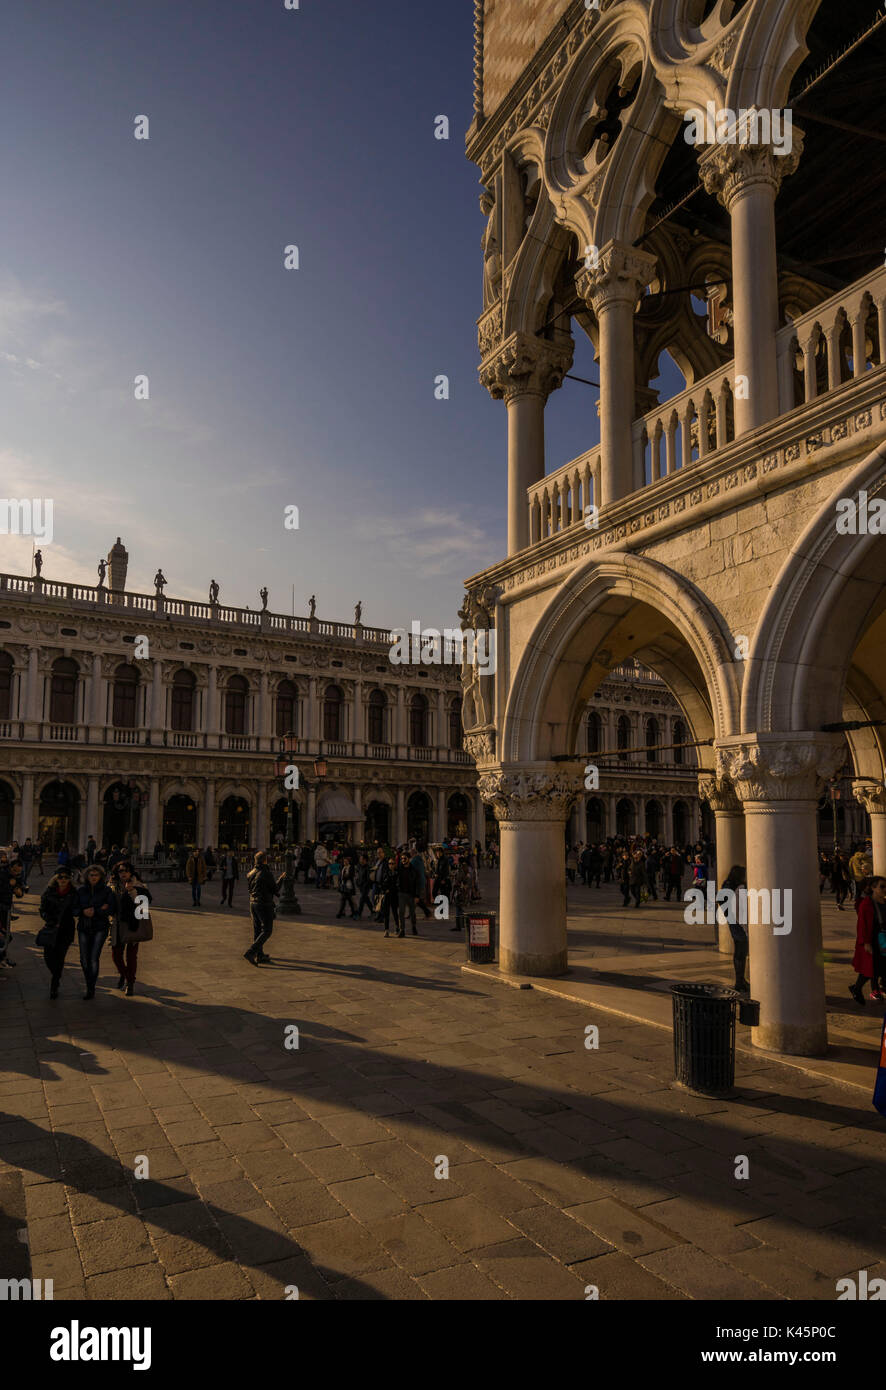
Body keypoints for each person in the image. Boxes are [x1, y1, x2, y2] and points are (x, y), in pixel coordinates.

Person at [75, 863, 116, 1000]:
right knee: (83, 959)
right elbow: (74, 907)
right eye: (91, 875)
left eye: (96, 875)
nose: (93, 877)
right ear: (87, 876)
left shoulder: (106, 891)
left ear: (101, 876)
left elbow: (110, 909)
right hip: (84, 927)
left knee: (93, 958)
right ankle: (89, 982)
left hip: (100, 927)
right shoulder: (81, 891)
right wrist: (84, 911)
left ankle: (90, 987)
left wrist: (95, 911)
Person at [112, 861, 151, 997]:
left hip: (133, 925)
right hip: (117, 924)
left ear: (131, 872)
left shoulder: (139, 885)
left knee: (131, 956)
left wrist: (133, 892)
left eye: (126, 870)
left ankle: (130, 983)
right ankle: (125, 975)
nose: (123, 873)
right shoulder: (112, 886)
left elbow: (145, 906)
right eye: (120, 871)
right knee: (116, 955)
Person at [38, 867, 78, 998]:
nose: (63, 880)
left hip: (66, 929)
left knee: (60, 958)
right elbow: (42, 909)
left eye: (66, 877)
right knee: (48, 957)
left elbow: (76, 908)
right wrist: (49, 919)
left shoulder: (74, 893)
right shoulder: (49, 892)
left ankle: (54, 985)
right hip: (51, 928)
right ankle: (56, 975)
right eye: (60, 877)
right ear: (56, 878)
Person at [244, 851, 285, 965]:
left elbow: (249, 889)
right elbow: (275, 889)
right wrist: (281, 879)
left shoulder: (250, 873)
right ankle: (251, 952)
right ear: (265, 860)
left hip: (253, 903)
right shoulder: (266, 873)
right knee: (267, 930)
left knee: (257, 930)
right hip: (264, 904)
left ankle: (260, 955)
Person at [850, 876, 883, 1004]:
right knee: (872, 968)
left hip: (880, 939)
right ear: (872, 888)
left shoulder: (881, 902)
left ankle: (859, 988)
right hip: (873, 940)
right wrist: (866, 942)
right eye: (882, 886)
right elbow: (863, 925)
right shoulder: (867, 903)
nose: (884, 889)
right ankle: (861, 988)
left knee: (874, 968)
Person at [719, 864, 749, 992]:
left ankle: (740, 980)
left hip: (732, 921)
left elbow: (721, 900)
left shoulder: (727, 884)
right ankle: (740, 981)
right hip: (739, 923)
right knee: (741, 952)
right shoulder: (739, 887)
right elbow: (741, 909)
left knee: (738, 952)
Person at [353, 854, 373, 919]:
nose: (360, 860)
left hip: (366, 886)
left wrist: (364, 885)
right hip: (361, 886)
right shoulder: (359, 866)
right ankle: (373, 911)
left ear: (365, 860)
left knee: (362, 900)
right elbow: (357, 876)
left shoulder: (368, 867)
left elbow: (368, 879)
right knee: (366, 899)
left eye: (361, 859)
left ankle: (359, 914)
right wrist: (357, 883)